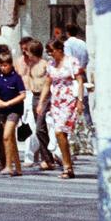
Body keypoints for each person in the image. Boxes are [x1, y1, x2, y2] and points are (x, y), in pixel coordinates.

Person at [43, 39, 85, 179]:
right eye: (48, 52)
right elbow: (47, 83)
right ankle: (68, 165)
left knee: (60, 131)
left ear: (59, 50)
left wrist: (80, 100)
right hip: (56, 102)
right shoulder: (51, 65)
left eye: (51, 51)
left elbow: (79, 81)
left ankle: (67, 166)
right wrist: (41, 102)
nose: (50, 54)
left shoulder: (71, 61)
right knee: (59, 133)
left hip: (69, 101)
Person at [19, 38, 57, 170]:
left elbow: (51, 81)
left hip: (44, 97)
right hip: (34, 96)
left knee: (40, 128)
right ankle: (45, 158)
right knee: (40, 128)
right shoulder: (30, 65)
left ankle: (49, 158)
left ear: (33, 52)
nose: (26, 54)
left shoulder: (45, 65)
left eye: (28, 51)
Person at [0, 49, 27, 176]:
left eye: (6, 65)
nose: (3, 68)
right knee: (11, 139)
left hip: (14, 110)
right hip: (3, 111)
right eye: (1, 65)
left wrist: (9, 103)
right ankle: (18, 168)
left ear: (11, 64)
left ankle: (9, 166)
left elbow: (22, 95)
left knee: (6, 136)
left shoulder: (16, 78)